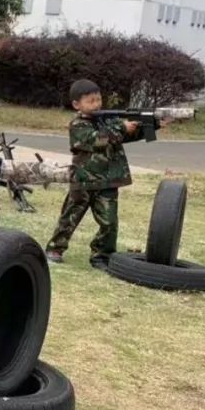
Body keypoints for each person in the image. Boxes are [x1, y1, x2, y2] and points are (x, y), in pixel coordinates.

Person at [45, 79, 145, 271]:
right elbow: (96, 140)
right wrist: (122, 128)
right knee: (70, 216)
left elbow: (127, 134)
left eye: (99, 100)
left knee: (109, 223)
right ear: (77, 104)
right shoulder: (77, 125)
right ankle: (55, 248)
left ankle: (102, 255)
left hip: (108, 180)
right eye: (91, 101)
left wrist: (152, 124)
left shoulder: (109, 120)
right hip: (83, 179)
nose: (97, 104)